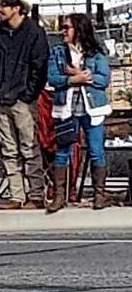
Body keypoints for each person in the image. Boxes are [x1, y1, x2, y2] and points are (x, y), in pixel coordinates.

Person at [0, 0, 49, 210]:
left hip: (23, 100)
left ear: (18, 7)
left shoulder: (34, 33)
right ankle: (16, 195)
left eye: (4, 3)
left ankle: (35, 194)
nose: (0, 8)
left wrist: (28, 95)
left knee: (29, 147)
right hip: (1, 98)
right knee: (8, 148)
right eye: (0, 3)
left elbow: (39, 67)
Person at [46, 13, 115, 212]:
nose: (63, 31)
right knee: (63, 150)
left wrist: (85, 76)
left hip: (92, 108)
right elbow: (52, 78)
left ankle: (99, 194)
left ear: (79, 29)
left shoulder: (95, 54)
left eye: (67, 27)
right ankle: (60, 196)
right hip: (66, 108)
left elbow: (104, 80)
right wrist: (72, 80)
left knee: (96, 150)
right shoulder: (59, 52)